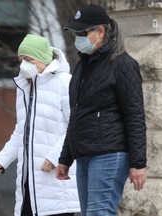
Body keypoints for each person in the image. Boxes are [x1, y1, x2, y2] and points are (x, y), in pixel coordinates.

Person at [56, 3, 147, 216]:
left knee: (99, 213)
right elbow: (77, 114)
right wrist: (65, 158)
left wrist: (138, 163)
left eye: (82, 32)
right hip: (85, 153)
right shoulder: (83, 67)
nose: (78, 37)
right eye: (75, 33)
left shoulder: (123, 64)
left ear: (100, 31)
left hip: (110, 153)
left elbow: (135, 116)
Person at [0, 34, 80, 216]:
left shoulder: (65, 83)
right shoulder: (24, 88)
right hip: (28, 183)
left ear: (43, 59)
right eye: (21, 60)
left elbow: (77, 126)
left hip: (55, 181)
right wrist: (2, 160)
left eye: (28, 59)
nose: (23, 65)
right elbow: (22, 131)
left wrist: (55, 157)